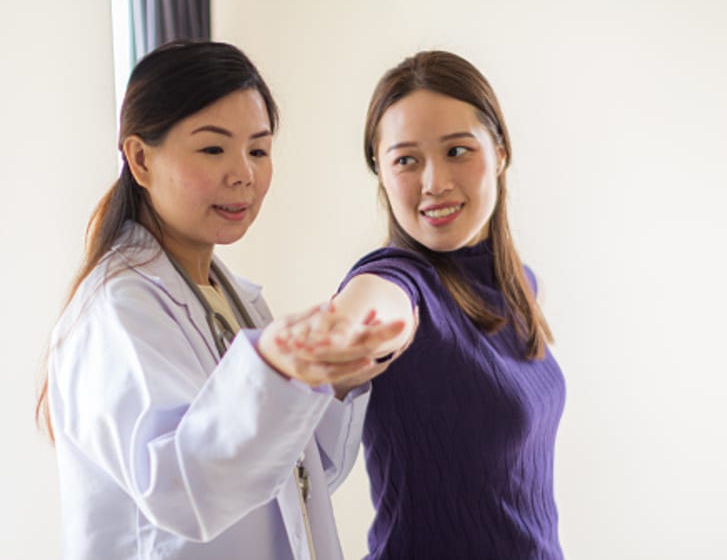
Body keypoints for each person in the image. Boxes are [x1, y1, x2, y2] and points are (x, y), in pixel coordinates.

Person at [35, 40, 406, 560]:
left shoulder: (234, 298)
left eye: (258, 150)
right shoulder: (117, 312)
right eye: (213, 149)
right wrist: (274, 371)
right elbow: (183, 495)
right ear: (140, 159)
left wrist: (335, 384)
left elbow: (297, 477)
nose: (243, 174)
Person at [288, 50, 566, 559]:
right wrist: (339, 338)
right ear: (381, 172)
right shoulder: (397, 281)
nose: (434, 182)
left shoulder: (521, 288)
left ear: (500, 152)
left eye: (457, 151)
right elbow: (373, 308)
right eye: (406, 160)